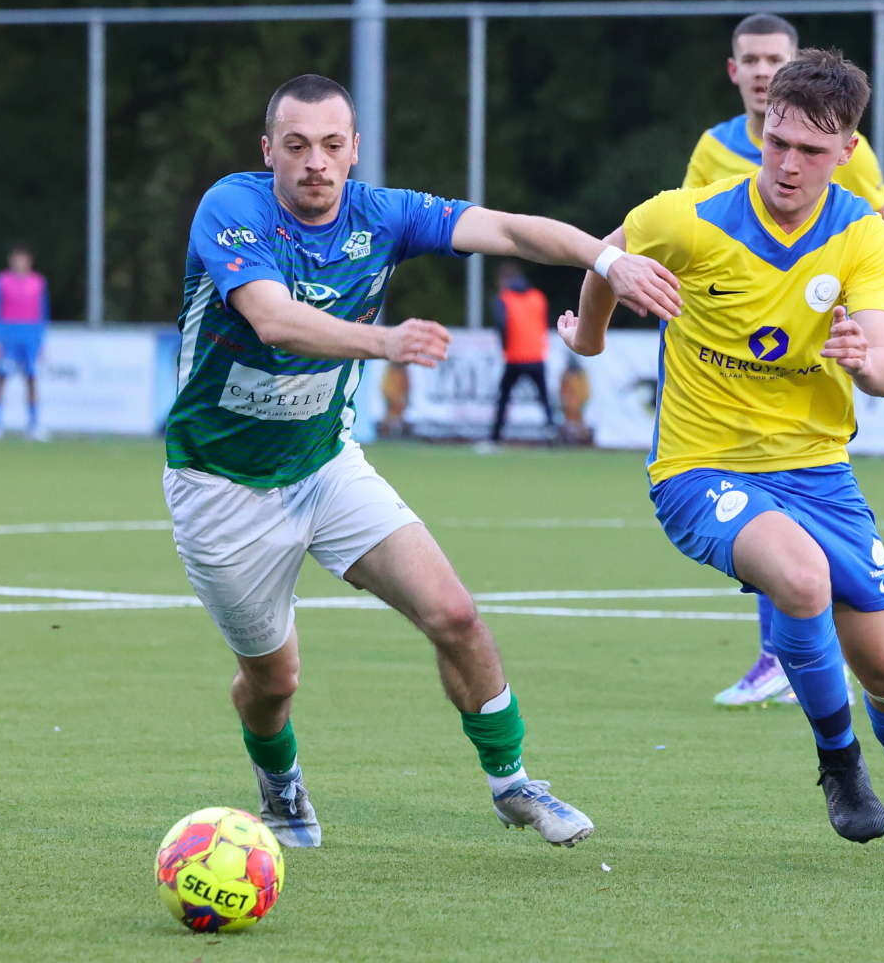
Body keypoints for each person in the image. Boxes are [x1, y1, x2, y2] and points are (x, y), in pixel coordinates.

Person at [163, 74, 681, 850]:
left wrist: (605, 263)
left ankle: (513, 784)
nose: (316, 162)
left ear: (354, 150)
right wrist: (385, 340)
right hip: (220, 487)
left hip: (325, 467)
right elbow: (272, 322)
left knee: (455, 614)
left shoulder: (385, 214)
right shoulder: (232, 209)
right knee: (274, 682)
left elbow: (508, 231)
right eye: (297, 145)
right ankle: (280, 780)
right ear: (268, 150)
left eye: (332, 146)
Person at [560, 50, 884, 859]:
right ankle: (839, 763)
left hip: (820, 474)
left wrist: (866, 360)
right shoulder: (684, 218)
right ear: (763, 131)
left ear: (847, 154)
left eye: (812, 151)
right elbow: (603, 261)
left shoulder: (862, 238)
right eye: (778, 142)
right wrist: (586, 335)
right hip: (700, 469)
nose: (789, 164)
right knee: (801, 579)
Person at [686, 13, 884, 708]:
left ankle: (797, 658)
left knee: (795, 504)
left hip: (813, 362)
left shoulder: (841, 150)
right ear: (734, 71)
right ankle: (781, 656)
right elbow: (677, 237)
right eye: (750, 59)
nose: (761, 70)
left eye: (775, 58)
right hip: (733, 365)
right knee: (760, 508)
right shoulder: (713, 151)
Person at [0, 243, 50, 441]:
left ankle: (33, 424)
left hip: (30, 336)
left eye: (23, 259)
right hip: (8, 336)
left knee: (31, 380)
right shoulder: (1, 280)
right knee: (1, 378)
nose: (19, 263)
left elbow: (43, 313)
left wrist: (41, 341)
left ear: (29, 261)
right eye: (16, 259)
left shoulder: (38, 282)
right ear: (10, 260)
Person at [489, 261, 554, 443]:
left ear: (505, 280)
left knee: (503, 398)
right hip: (537, 356)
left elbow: (501, 325)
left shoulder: (505, 298)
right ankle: (553, 433)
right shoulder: (538, 297)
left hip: (515, 357)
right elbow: (546, 322)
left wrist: (504, 346)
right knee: (544, 398)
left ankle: (495, 438)